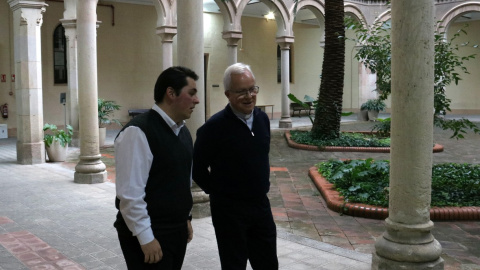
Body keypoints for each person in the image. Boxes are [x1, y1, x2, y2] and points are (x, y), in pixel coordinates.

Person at [193, 63, 278, 269]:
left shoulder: (262, 119)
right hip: (229, 212)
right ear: (228, 94)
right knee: (234, 264)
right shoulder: (213, 128)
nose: (249, 96)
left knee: (267, 263)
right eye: (241, 91)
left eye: (252, 89)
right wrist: (221, 193)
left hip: (260, 206)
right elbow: (198, 169)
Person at [114, 66, 199, 269]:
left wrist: (185, 218)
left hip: (175, 230)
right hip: (150, 234)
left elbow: (180, 181)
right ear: (171, 93)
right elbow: (130, 195)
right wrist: (145, 237)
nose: (196, 100)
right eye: (192, 93)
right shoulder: (138, 132)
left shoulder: (183, 131)